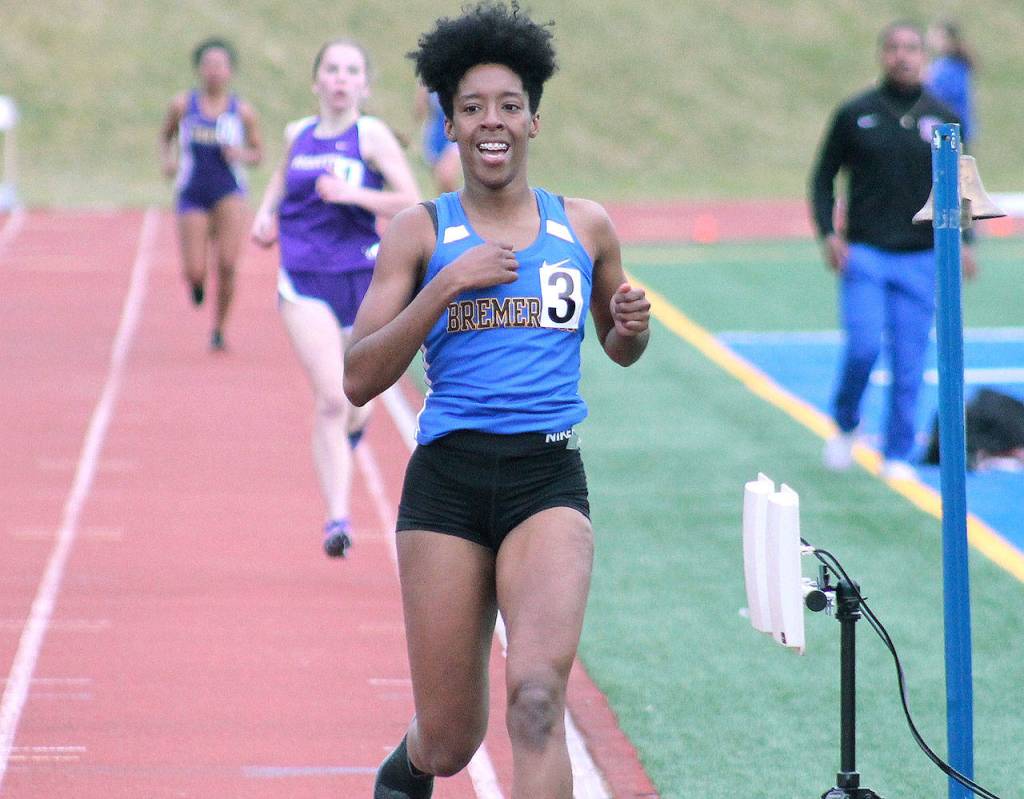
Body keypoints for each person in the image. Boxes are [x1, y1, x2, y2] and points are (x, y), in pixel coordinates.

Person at [342, 3, 651, 797]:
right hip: (446, 482)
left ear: (533, 121)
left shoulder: (584, 226)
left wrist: (629, 327)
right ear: (449, 124)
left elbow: (619, 348)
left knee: (539, 700)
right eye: (473, 107)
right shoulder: (420, 231)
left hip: (546, 479)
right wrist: (446, 283)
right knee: (450, 738)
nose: (492, 122)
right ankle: (406, 770)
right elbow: (358, 375)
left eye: (509, 106)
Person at [251, 39, 420, 557]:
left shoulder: (369, 136)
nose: (341, 79)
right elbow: (282, 174)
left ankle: (351, 436)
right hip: (303, 280)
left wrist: (354, 195)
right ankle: (338, 520)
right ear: (316, 81)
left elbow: (412, 201)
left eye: (351, 71)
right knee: (331, 396)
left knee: (357, 397)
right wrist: (265, 213)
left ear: (364, 85)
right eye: (332, 69)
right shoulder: (296, 133)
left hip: (363, 281)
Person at [810, 20, 976, 481]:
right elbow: (822, 178)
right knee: (863, 347)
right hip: (866, 254)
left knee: (910, 361)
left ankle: (899, 452)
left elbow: (961, 183)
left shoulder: (944, 116)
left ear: (924, 57)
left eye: (912, 48)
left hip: (923, 258)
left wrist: (965, 241)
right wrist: (829, 233)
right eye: (894, 48)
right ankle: (845, 424)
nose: (903, 56)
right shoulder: (855, 113)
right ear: (882, 54)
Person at [160, 38, 263, 351]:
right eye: (208, 65)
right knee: (194, 269)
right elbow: (166, 137)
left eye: (220, 65)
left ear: (230, 71)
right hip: (192, 193)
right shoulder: (183, 106)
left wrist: (240, 154)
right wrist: (168, 160)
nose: (214, 71)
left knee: (229, 265)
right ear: (199, 69)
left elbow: (258, 153)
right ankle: (196, 283)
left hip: (228, 192)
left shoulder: (241, 112)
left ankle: (218, 329)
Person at [926, 19, 976, 143]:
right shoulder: (943, 64)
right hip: (946, 130)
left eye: (938, 36)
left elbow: (938, 94)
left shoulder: (954, 66)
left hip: (952, 131)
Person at [413, 83, 461, 193]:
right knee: (442, 187)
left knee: (445, 176)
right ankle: (456, 208)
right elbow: (420, 106)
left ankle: (465, 207)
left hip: (458, 131)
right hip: (436, 132)